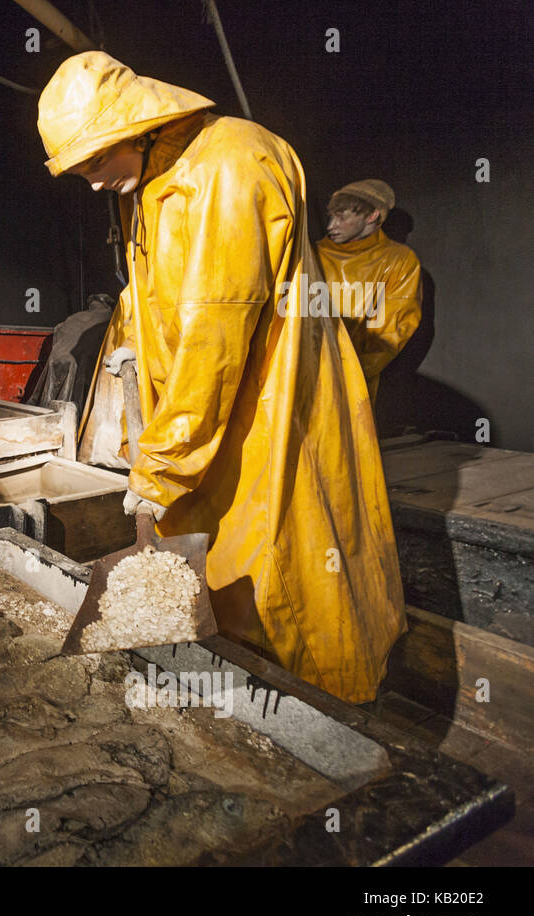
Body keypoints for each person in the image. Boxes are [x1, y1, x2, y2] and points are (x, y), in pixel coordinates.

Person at [38, 52, 405, 704]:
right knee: (230, 585)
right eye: (78, 171)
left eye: (94, 162)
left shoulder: (227, 167)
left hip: (266, 408)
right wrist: (145, 436)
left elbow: (215, 340)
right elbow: (158, 315)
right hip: (205, 422)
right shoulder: (151, 185)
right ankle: (249, 703)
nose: (91, 183)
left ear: (136, 126)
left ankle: (334, 730)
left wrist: (159, 471)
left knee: (294, 576)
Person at [316, 179, 423, 406]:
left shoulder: (398, 261)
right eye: (331, 216)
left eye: (342, 217)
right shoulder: (310, 254)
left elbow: (394, 328)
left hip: (351, 381)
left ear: (372, 216)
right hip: (297, 374)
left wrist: (354, 371)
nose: (331, 226)